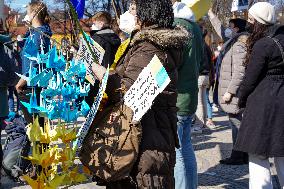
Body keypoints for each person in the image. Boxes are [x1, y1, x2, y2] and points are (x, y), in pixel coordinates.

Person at [85, 0, 189, 188]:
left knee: (144, 180)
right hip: (150, 131)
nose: (130, 14)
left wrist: (100, 72)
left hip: (145, 137)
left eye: (133, 10)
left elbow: (126, 94)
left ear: (146, 15)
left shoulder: (150, 47)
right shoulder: (153, 44)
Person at [235, 2, 284, 188]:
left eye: (250, 19)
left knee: (258, 157)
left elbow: (250, 79)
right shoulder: (281, 38)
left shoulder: (263, 44)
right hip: (282, 99)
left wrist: (240, 98)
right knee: (282, 154)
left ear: (257, 21)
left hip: (264, 103)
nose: (247, 22)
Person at [172, 1, 203, 188]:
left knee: (177, 151)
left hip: (178, 96)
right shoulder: (194, 27)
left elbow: (174, 64)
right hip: (189, 95)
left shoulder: (178, 26)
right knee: (186, 146)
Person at [216, 18, 249, 165]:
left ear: (236, 28)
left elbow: (239, 71)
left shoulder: (239, 44)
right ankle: (242, 154)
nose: (227, 29)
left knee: (236, 122)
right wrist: (210, 13)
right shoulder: (234, 41)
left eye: (230, 26)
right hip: (233, 89)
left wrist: (230, 91)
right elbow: (221, 30)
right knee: (236, 121)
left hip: (234, 91)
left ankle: (238, 155)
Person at [15, 2, 52, 126]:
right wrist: (22, 42)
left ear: (34, 14)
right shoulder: (37, 33)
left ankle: (38, 145)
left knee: (35, 128)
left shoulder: (38, 35)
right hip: (36, 85)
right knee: (38, 127)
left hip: (31, 86)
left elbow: (34, 64)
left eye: (27, 13)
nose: (26, 15)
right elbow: (29, 55)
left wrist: (20, 84)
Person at [86, 12, 121, 106]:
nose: (92, 26)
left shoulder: (97, 38)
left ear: (101, 23)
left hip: (97, 77)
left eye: (94, 23)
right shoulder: (115, 37)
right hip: (111, 76)